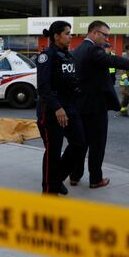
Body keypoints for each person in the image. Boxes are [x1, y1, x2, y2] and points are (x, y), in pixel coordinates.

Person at [70, 20, 129, 189]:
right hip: (95, 106)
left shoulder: (77, 50)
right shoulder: (92, 49)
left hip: (80, 105)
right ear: (94, 33)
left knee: (81, 144)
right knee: (97, 144)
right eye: (105, 35)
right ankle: (95, 179)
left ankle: (74, 176)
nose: (107, 39)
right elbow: (113, 60)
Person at [36, 21, 86, 195]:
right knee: (53, 152)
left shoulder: (68, 56)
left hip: (70, 107)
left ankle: (56, 180)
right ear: (56, 36)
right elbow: (43, 87)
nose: (70, 37)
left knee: (80, 144)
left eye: (70, 33)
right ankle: (49, 191)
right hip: (52, 109)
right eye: (67, 33)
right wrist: (57, 108)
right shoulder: (46, 57)